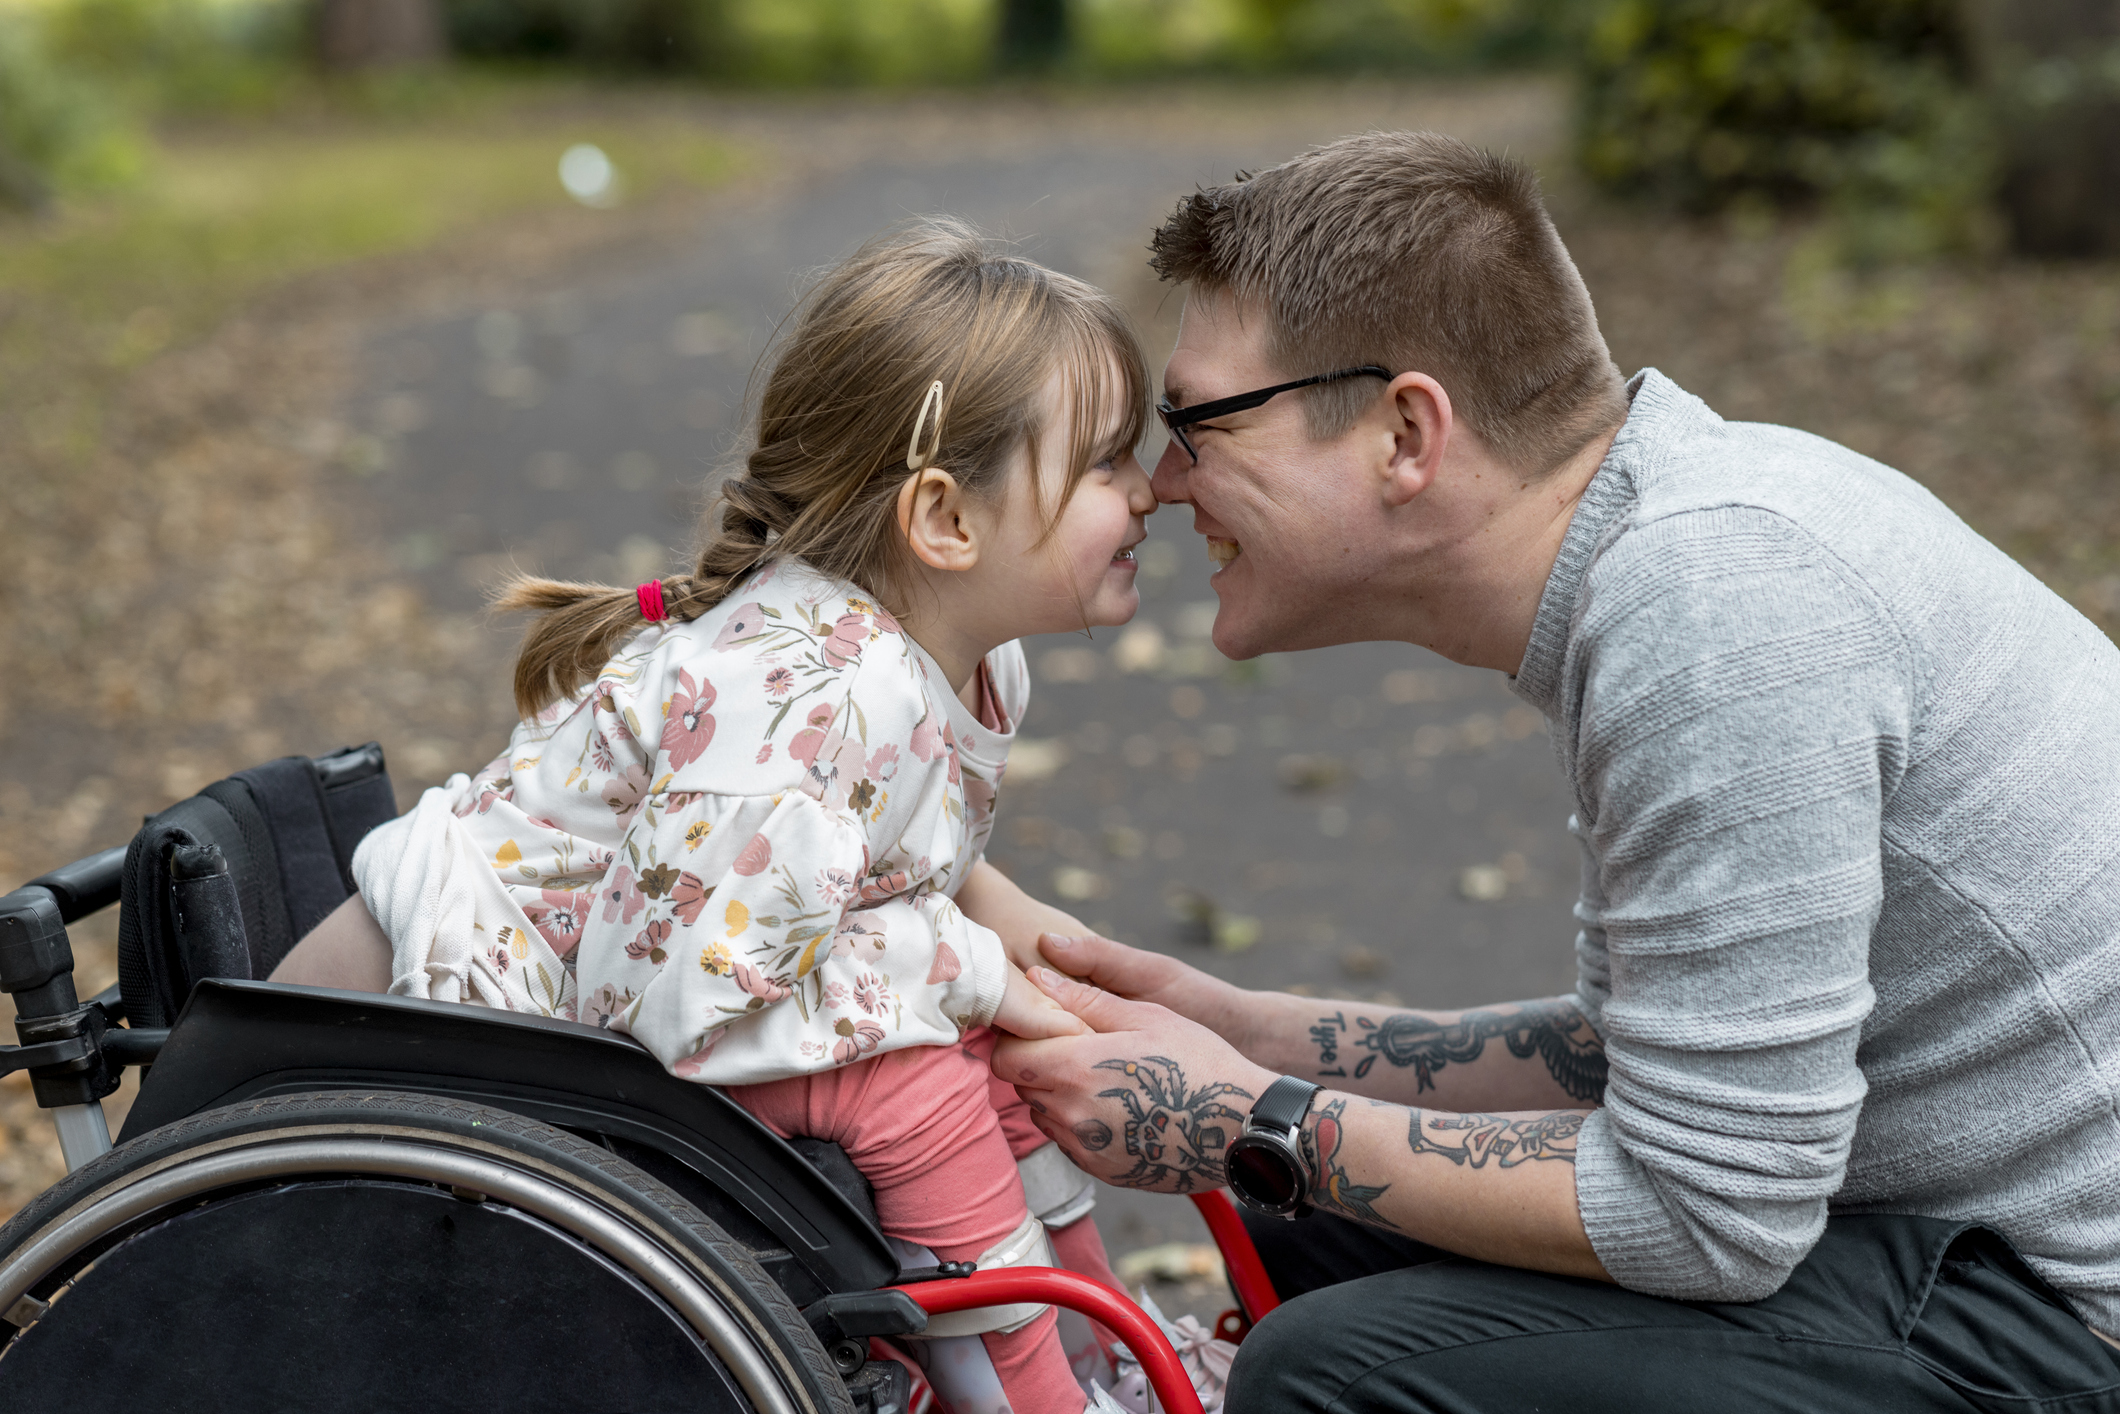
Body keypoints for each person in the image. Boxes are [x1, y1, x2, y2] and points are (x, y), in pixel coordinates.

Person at [996, 130, 2120, 1412]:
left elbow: (1712, 1218)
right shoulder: (1660, 553)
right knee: (1313, 1222)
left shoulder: (1712, 612)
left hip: (2064, 1320)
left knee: (1319, 1369)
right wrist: (1250, 1035)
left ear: (1404, 432)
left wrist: (1250, 1116)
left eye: (1198, 422)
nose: (1163, 481)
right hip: (1933, 1250)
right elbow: (1628, 1062)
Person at [274, 222, 1162, 1413]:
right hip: (442, 1019)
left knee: (1003, 1046)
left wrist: (1051, 967)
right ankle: (1021, 1388)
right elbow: (684, 999)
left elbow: (903, 863)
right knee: (917, 1079)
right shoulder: (817, 702)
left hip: (629, 986)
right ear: (945, 521)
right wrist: (967, 964)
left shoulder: (961, 659)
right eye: (1106, 464)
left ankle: (1097, 1350)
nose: (1149, 489)